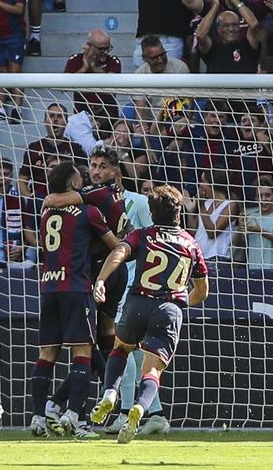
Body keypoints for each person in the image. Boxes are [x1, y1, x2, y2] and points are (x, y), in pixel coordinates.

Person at [87, 184, 209, 443]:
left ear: (151, 214)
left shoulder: (143, 235)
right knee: (152, 370)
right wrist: (181, 302)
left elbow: (119, 251)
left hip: (138, 302)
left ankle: (110, 393)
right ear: (178, 213)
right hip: (169, 308)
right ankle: (141, 408)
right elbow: (202, 290)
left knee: (120, 349)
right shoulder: (191, 244)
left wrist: (101, 280)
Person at [30, 161, 119, 438]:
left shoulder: (45, 214)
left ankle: (38, 417)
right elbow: (115, 245)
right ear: (75, 184)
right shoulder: (88, 212)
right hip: (76, 286)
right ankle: (76, 419)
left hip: (48, 287)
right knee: (82, 352)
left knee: (46, 354)